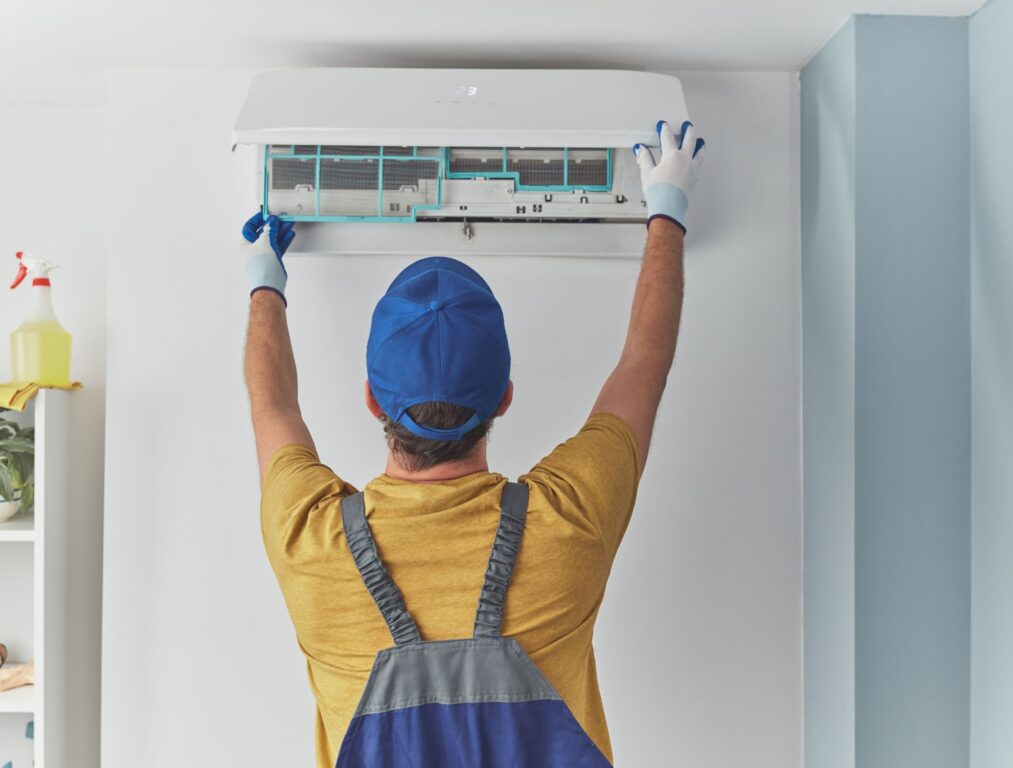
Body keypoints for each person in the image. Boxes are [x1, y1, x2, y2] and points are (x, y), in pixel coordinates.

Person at [242, 119, 705, 767]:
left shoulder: (310, 541)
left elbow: (273, 405)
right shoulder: (568, 522)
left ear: (374, 400)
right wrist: (666, 210)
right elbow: (642, 368)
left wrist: (266, 278)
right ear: (504, 398)